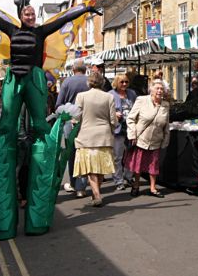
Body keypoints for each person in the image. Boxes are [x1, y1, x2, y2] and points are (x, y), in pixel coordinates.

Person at [0, 0, 99, 238]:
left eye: (33, 14)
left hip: (34, 78)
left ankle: (37, 207)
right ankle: (5, 215)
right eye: (27, 13)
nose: (31, 16)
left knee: (39, 127)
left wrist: (86, 10)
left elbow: (65, 18)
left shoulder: (42, 31)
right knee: (6, 128)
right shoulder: (12, 29)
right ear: (22, 15)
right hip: (15, 79)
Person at [73, 72, 117, 207]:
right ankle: (96, 192)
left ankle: (96, 195)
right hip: (104, 136)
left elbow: (76, 118)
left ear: (89, 82)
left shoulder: (81, 96)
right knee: (99, 167)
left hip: (86, 136)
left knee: (91, 168)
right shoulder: (109, 97)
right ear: (102, 82)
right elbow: (113, 120)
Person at [126, 80, 171, 198]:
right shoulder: (142, 100)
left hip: (156, 139)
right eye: (157, 88)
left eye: (162, 89)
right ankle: (136, 185)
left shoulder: (165, 105)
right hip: (141, 138)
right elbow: (130, 118)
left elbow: (166, 124)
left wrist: (166, 139)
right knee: (138, 165)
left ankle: (153, 188)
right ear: (151, 90)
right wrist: (132, 135)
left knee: (154, 165)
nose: (160, 91)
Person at [56, 59, 91, 197]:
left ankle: (73, 182)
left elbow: (59, 104)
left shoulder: (67, 82)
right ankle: (81, 186)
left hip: (70, 122)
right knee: (84, 152)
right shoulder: (90, 82)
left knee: (72, 154)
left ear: (73, 70)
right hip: (88, 122)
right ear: (85, 69)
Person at [108, 74, 137, 191]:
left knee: (130, 154)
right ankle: (118, 180)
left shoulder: (132, 94)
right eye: (122, 82)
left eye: (126, 82)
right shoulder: (110, 94)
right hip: (118, 128)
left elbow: (137, 107)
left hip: (130, 128)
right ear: (116, 83)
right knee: (117, 156)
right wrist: (114, 114)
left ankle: (128, 176)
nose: (124, 84)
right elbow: (105, 110)